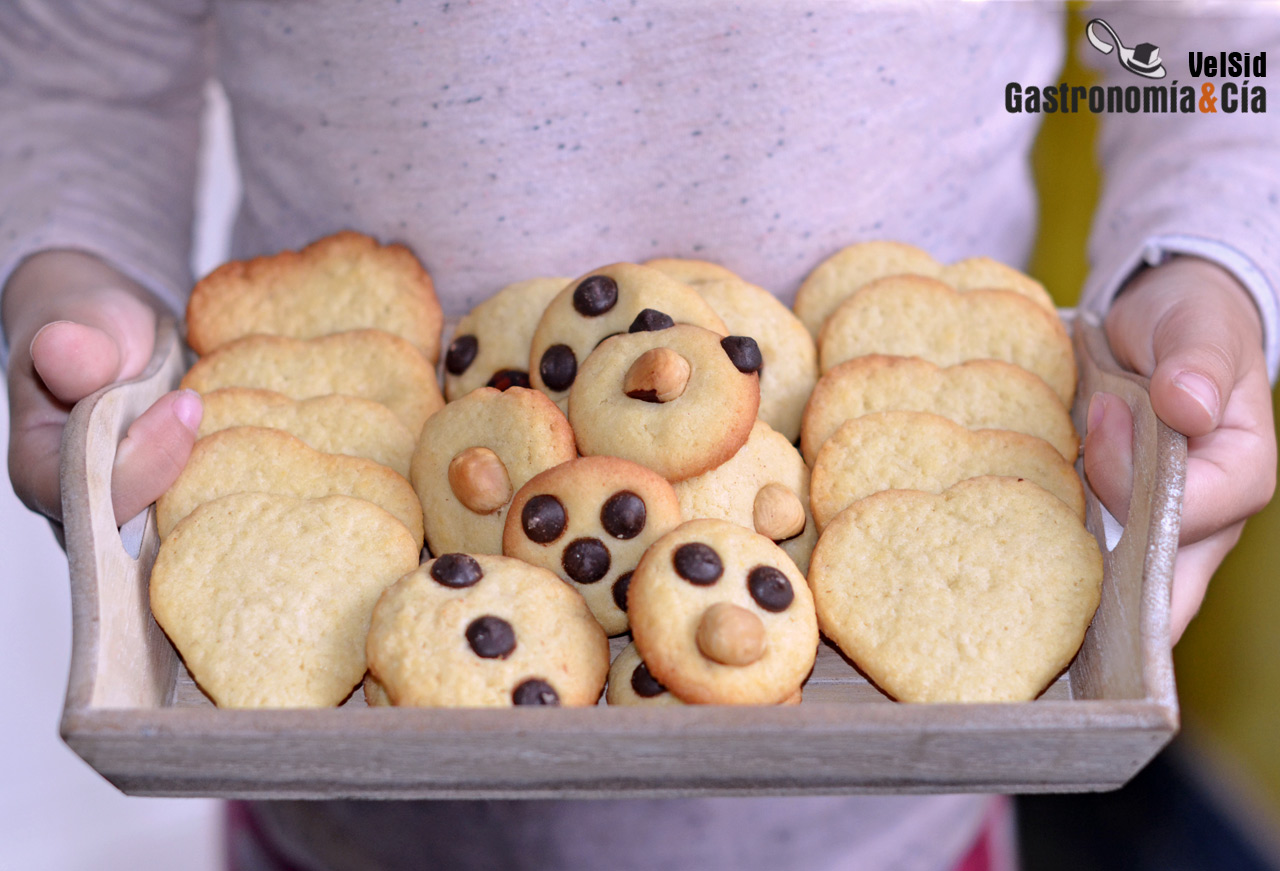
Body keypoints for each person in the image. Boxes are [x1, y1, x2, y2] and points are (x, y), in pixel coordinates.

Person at [2, 3, 1276, 869]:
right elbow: (80, 60)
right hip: (345, 815)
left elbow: (1202, 50)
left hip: (886, 830)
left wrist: (1205, 274)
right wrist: (70, 280)